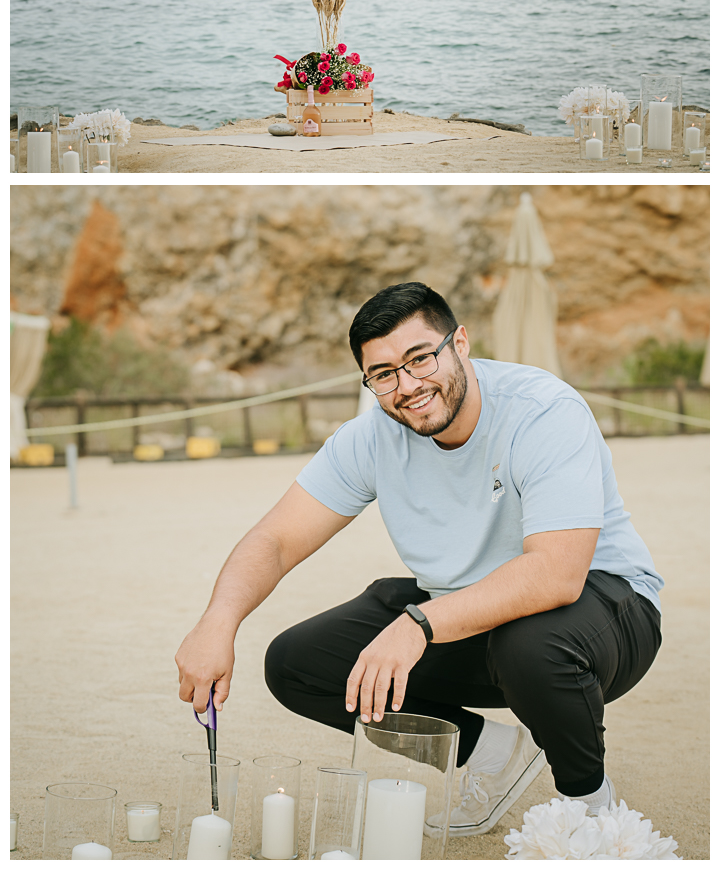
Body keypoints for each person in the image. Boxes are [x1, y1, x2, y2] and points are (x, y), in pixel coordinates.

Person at [176, 282, 663, 836]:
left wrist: (418, 626)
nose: (407, 386)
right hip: (460, 614)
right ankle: (491, 755)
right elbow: (277, 539)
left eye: (420, 358)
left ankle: (595, 813)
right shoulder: (369, 437)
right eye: (384, 373)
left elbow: (556, 574)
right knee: (296, 664)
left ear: (460, 342)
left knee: (529, 642)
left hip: (604, 613)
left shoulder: (542, 410)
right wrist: (218, 621)